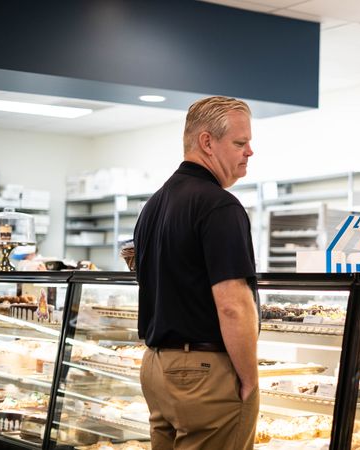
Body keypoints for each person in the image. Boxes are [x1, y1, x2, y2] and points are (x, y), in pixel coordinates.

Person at [134, 96, 259, 450]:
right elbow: (233, 304)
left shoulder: (155, 205)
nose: (250, 151)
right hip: (204, 373)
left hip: (157, 367)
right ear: (207, 142)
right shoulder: (219, 205)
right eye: (240, 142)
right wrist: (249, 378)